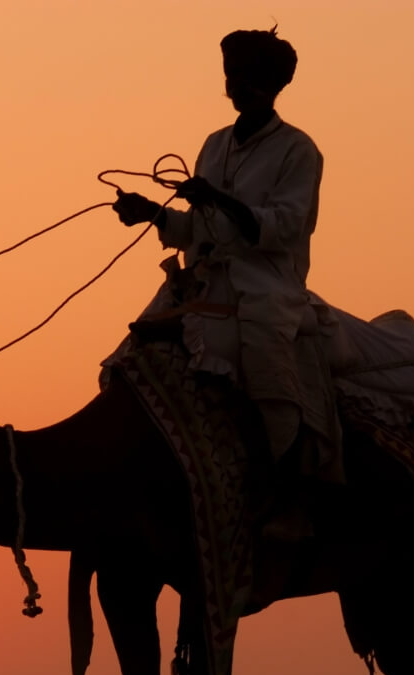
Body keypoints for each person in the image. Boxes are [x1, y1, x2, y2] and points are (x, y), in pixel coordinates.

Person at [108, 28, 342, 489]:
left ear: (272, 86)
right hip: (201, 282)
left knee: (271, 381)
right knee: (126, 363)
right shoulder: (214, 145)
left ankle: (289, 493)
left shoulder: (299, 151)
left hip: (265, 286)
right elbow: (198, 229)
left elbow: (284, 227)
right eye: (232, 76)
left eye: (246, 77)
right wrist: (151, 214)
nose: (236, 86)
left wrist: (216, 198)